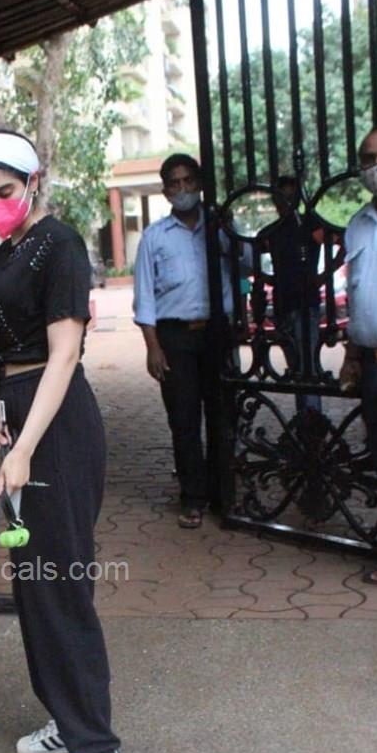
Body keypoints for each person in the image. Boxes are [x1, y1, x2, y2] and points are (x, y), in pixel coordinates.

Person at [0, 128, 127, 753]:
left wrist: (26, 447)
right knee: (35, 584)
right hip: (19, 408)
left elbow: (64, 354)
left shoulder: (59, 244)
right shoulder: (3, 248)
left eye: (4, 192)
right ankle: (67, 717)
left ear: (33, 182)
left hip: (55, 422)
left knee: (61, 583)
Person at [133, 153, 240, 529]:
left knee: (222, 414)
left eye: (188, 181)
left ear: (199, 183)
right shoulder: (154, 237)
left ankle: (223, 495)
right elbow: (144, 295)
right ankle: (193, 498)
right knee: (184, 418)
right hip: (175, 337)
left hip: (216, 333)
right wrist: (153, 346)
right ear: (165, 191)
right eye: (174, 184)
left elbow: (247, 263)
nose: (183, 189)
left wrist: (231, 232)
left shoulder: (221, 228)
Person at [341, 124, 377, 585]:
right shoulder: (357, 225)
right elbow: (357, 297)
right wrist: (353, 354)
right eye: (369, 158)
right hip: (374, 365)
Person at [263, 175, 323, 415]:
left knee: (308, 368)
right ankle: (305, 421)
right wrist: (268, 279)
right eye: (281, 197)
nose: (286, 202)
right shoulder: (274, 230)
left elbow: (340, 242)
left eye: (290, 197)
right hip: (283, 305)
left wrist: (323, 276)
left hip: (305, 304)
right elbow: (250, 250)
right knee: (297, 369)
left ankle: (312, 421)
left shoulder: (308, 223)